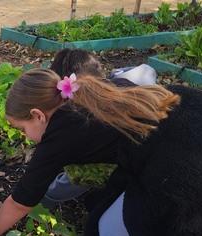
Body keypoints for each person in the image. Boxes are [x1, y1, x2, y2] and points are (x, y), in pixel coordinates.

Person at [0, 68, 202, 236]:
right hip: (191, 113)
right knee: (139, 214)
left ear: (38, 115)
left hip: (180, 162)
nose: (26, 137)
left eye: (22, 130)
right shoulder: (86, 92)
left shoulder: (57, 136)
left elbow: (20, 202)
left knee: (114, 233)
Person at [43, 48, 157, 209]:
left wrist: (42, 198)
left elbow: (72, 179)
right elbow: (148, 70)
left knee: (96, 205)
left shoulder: (91, 125)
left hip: (150, 177)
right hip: (166, 150)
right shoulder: (129, 79)